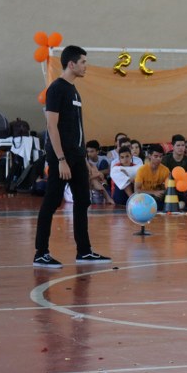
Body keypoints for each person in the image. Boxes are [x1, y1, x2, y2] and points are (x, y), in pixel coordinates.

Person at [33, 45, 111, 268]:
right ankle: (41, 253)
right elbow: (52, 126)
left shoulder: (74, 91)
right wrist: (61, 160)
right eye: (83, 62)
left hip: (77, 158)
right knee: (51, 202)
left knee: (83, 201)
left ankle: (84, 251)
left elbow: (77, 129)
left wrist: (85, 161)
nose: (86, 66)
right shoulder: (57, 89)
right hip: (61, 159)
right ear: (71, 64)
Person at [134, 144, 172, 210]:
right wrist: (154, 192)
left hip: (158, 198)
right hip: (144, 198)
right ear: (149, 156)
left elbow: (169, 188)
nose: (159, 159)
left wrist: (163, 191)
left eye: (161, 156)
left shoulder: (165, 170)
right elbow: (136, 190)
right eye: (156, 156)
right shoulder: (142, 170)